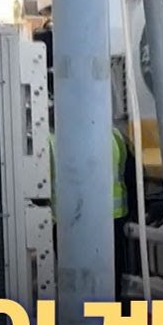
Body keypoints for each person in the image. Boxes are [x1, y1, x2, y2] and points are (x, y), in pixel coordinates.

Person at [49, 125, 130, 295]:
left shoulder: (51, 140)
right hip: (112, 218)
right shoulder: (115, 136)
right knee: (110, 279)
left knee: (76, 282)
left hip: (69, 223)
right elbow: (126, 174)